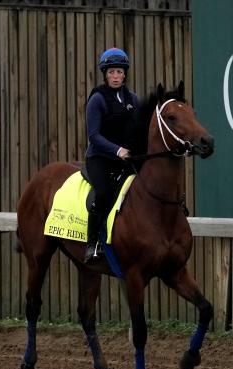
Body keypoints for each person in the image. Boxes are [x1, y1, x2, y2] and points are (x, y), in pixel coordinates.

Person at [84, 48, 140, 264]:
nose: (115, 76)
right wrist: (118, 150)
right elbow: (94, 136)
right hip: (99, 159)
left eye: (119, 72)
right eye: (111, 72)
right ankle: (92, 244)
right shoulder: (97, 99)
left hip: (126, 159)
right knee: (104, 192)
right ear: (105, 75)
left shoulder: (133, 99)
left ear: (125, 74)